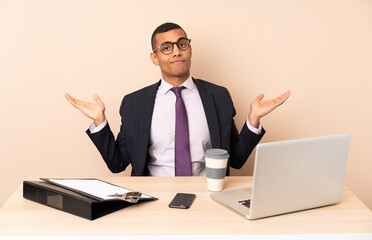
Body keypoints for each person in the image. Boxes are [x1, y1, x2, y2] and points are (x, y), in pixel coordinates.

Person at [65, 22, 290, 176]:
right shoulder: (134, 103)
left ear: (190, 49)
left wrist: (253, 120)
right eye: (166, 47)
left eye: (181, 44)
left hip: (207, 195)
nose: (176, 52)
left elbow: (237, 159)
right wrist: (99, 122)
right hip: (153, 197)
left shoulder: (218, 96)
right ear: (155, 58)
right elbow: (117, 164)